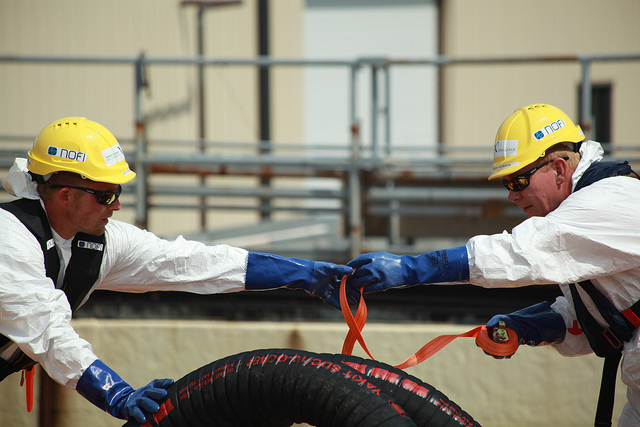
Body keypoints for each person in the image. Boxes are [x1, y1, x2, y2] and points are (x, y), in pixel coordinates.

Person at [0, 116, 354, 425]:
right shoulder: (9, 239)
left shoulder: (95, 240)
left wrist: (306, 275)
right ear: (65, 195)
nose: (118, 205)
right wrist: (118, 395)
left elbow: (186, 262)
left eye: (118, 191)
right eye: (106, 195)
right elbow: (47, 331)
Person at [347, 103, 640, 426]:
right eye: (506, 184)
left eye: (518, 181)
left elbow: (514, 253)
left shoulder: (605, 201)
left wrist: (407, 269)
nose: (512, 196)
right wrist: (527, 326)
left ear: (558, 169)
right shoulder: (588, 209)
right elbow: (603, 315)